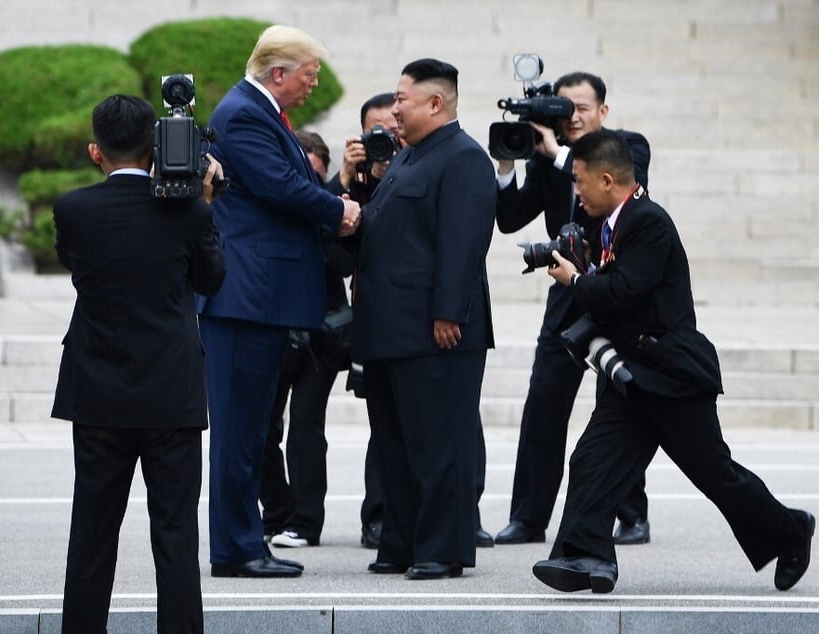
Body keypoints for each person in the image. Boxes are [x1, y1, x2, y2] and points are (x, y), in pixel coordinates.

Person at [533, 128, 814, 594]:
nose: (576, 193)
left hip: (671, 376)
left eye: (579, 182)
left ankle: (790, 530)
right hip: (632, 377)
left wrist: (577, 281)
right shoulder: (612, 224)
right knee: (591, 460)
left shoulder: (648, 221)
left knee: (716, 476)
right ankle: (587, 557)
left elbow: (625, 291)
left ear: (607, 180)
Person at [52, 94, 225, 632]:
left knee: (92, 533)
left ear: (94, 151)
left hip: (98, 392)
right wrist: (203, 201)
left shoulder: (72, 209)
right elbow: (211, 281)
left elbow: (72, 264)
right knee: (175, 534)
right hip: (171, 395)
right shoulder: (189, 212)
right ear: (156, 148)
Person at [196, 24, 361, 579]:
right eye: (310, 75)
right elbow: (280, 186)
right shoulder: (245, 113)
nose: (314, 84)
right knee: (241, 431)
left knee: (250, 430)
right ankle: (236, 547)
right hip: (247, 296)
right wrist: (337, 209)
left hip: (259, 297)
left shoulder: (259, 111)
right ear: (279, 73)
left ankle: (244, 542)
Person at [327, 92, 495, 549]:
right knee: (395, 445)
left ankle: (442, 550)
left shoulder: (463, 157)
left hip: (434, 332)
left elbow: (464, 243)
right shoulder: (406, 160)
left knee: (439, 446)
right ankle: (400, 543)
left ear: (436, 102)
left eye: (403, 99)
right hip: (389, 331)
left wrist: (448, 312)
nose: (395, 111)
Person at [493, 71, 654, 547]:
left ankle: (632, 514)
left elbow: (620, 197)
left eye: (582, 108)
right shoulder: (546, 159)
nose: (574, 116)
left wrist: (561, 155)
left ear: (603, 111)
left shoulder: (627, 148)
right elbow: (509, 219)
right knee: (544, 400)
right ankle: (528, 517)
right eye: (565, 108)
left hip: (618, 289)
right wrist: (506, 165)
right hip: (567, 291)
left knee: (620, 403)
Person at [261, 130, 355, 548]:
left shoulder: (332, 211)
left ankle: (304, 521)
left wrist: (322, 212)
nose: (306, 186)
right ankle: (278, 510)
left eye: (314, 176)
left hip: (324, 334)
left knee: (305, 424)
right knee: (262, 427)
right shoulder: (271, 208)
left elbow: (343, 264)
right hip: (276, 331)